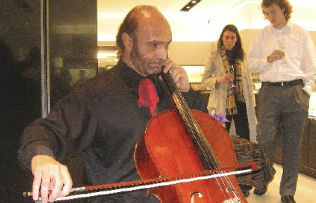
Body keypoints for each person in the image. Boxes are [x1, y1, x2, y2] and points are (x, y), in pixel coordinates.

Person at [18, 5, 207, 203]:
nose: (163, 55)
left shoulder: (169, 88)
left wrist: (187, 93)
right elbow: (42, 131)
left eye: (166, 45)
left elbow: (204, 135)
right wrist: (43, 159)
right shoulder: (95, 94)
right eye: (154, 45)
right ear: (128, 41)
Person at [247, 0, 316, 202]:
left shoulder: (301, 34)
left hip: (295, 92)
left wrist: (305, 92)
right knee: (265, 141)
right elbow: (251, 64)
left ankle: (288, 192)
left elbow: (311, 67)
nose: (270, 17)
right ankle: (262, 180)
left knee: (292, 145)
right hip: (269, 92)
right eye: (266, 13)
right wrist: (267, 60)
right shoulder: (262, 36)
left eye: (273, 12)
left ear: (284, 9)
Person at [202, 24, 257, 142]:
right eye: (227, 37)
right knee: (221, 135)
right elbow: (205, 80)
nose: (229, 41)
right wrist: (219, 79)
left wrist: (252, 101)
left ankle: (243, 159)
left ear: (237, 39)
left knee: (244, 135)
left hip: (241, 101)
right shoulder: (214, 57)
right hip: (222, 103)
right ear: (222, 38)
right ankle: (222, 160)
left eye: (232, 38)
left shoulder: (242, 57)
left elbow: (248, 81)